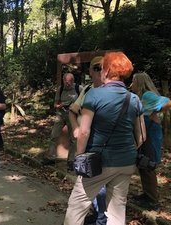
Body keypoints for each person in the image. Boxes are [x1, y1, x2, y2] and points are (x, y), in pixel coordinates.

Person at [64, 52, 145, 225]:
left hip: (98, 163)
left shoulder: (94, 95)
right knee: (116, 211)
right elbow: (142, 136)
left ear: (106, 71)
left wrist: (79, 157)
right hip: (126, 162)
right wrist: (126, 151)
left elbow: (84, 131)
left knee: (77, 206)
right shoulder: (134, 99)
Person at [68, 56, 107, 225]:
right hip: (90, 143)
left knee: (101, 184)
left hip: (107, 144)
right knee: (92, 182)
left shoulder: (113, 90)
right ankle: (99, 215)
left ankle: (101, 217)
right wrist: (77, 128)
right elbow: (73, 110)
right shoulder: (88, 90)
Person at [130, 72, 171, 209]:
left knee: (148, 165)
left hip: (151, 134)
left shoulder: (147, 95)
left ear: (140, 83)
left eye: (133, 81)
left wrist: (155, 110)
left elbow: (167, 102)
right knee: (143, 164)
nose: (131, 84)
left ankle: (153, 200)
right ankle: (147, 194)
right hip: (145, 134)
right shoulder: (140, 97)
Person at [43, 73, 82, 165]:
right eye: (66, 81)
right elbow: (55, 104)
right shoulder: (60, 89)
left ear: (73, 81)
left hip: (73, 115)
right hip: (61, 114)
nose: (67, 83)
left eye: (69, 81)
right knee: (54, 135)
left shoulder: (79, 88)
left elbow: (85, 101)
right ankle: (51, 157)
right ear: (63, 80)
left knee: (73, 138)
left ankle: (71, 160)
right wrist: (60, 105)